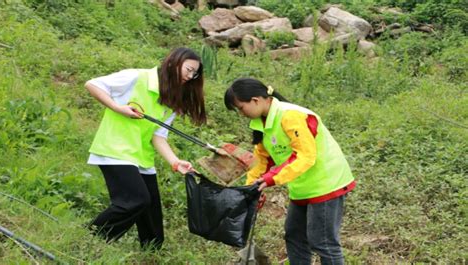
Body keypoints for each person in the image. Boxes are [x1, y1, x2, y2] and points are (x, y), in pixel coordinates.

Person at [224, 78, 355, 265]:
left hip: (326, 183)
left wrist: (271, 179)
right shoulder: (262, 123)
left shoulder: (290, 115)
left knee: (323, 242)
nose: (240, 113)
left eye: (241, 108)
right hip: (302, 185)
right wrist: (251, 189)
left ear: (255, 100)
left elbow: (305, 156)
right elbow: (262, 160)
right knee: (294, 236)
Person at [85, 47, 206, 250]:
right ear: (173, 62)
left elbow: (158, 136)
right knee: (135, 200)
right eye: (189, 69)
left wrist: (175, 162)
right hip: (115, 149)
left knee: (153, 227)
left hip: (141, 157)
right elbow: (92, 84)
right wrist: (118, 108)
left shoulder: (170, 98)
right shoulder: (136, 77)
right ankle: (91, 237)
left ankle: (151, 253)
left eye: (195, 73)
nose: (191, 76)